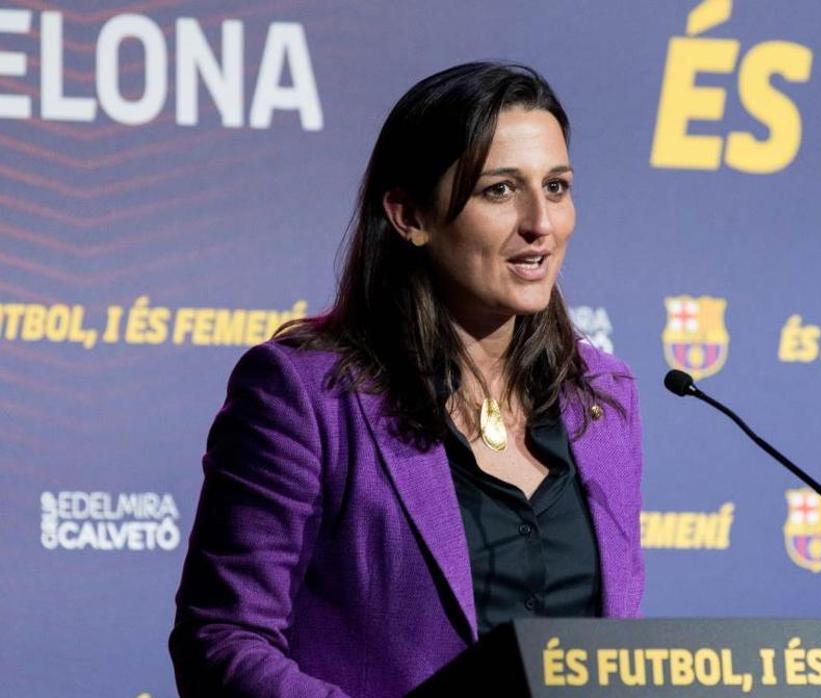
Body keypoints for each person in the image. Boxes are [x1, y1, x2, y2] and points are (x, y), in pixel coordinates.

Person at [169, 62, 644, 697]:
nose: (541, 223)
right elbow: (222, 638)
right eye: (500, 190)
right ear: (409, 215)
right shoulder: (308, 395)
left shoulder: (602, 398)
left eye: (556, 187)